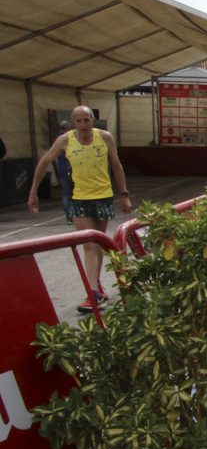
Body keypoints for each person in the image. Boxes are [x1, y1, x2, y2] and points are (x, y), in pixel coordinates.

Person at [27, 106, 132, 312]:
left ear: (93, 121)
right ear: (73, 123)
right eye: (79, 121)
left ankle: (97, 286)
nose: (83, 125)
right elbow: (44, 162)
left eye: (87, 120)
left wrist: (124, 194)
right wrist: (33, 192)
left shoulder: (105, 137)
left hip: (102, 197)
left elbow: (116, 165)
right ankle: (92, 292)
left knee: (98, 243)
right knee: (89, 245)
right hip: (80, 198)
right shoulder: (65, 140)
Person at [55, 120, 74, 224]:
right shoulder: (70, 138)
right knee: (75, 194)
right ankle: (76, 215)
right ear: (69, 128)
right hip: (72, 169)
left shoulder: (57, 139)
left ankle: (69, 216)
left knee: (66, 194)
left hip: (62, 170)